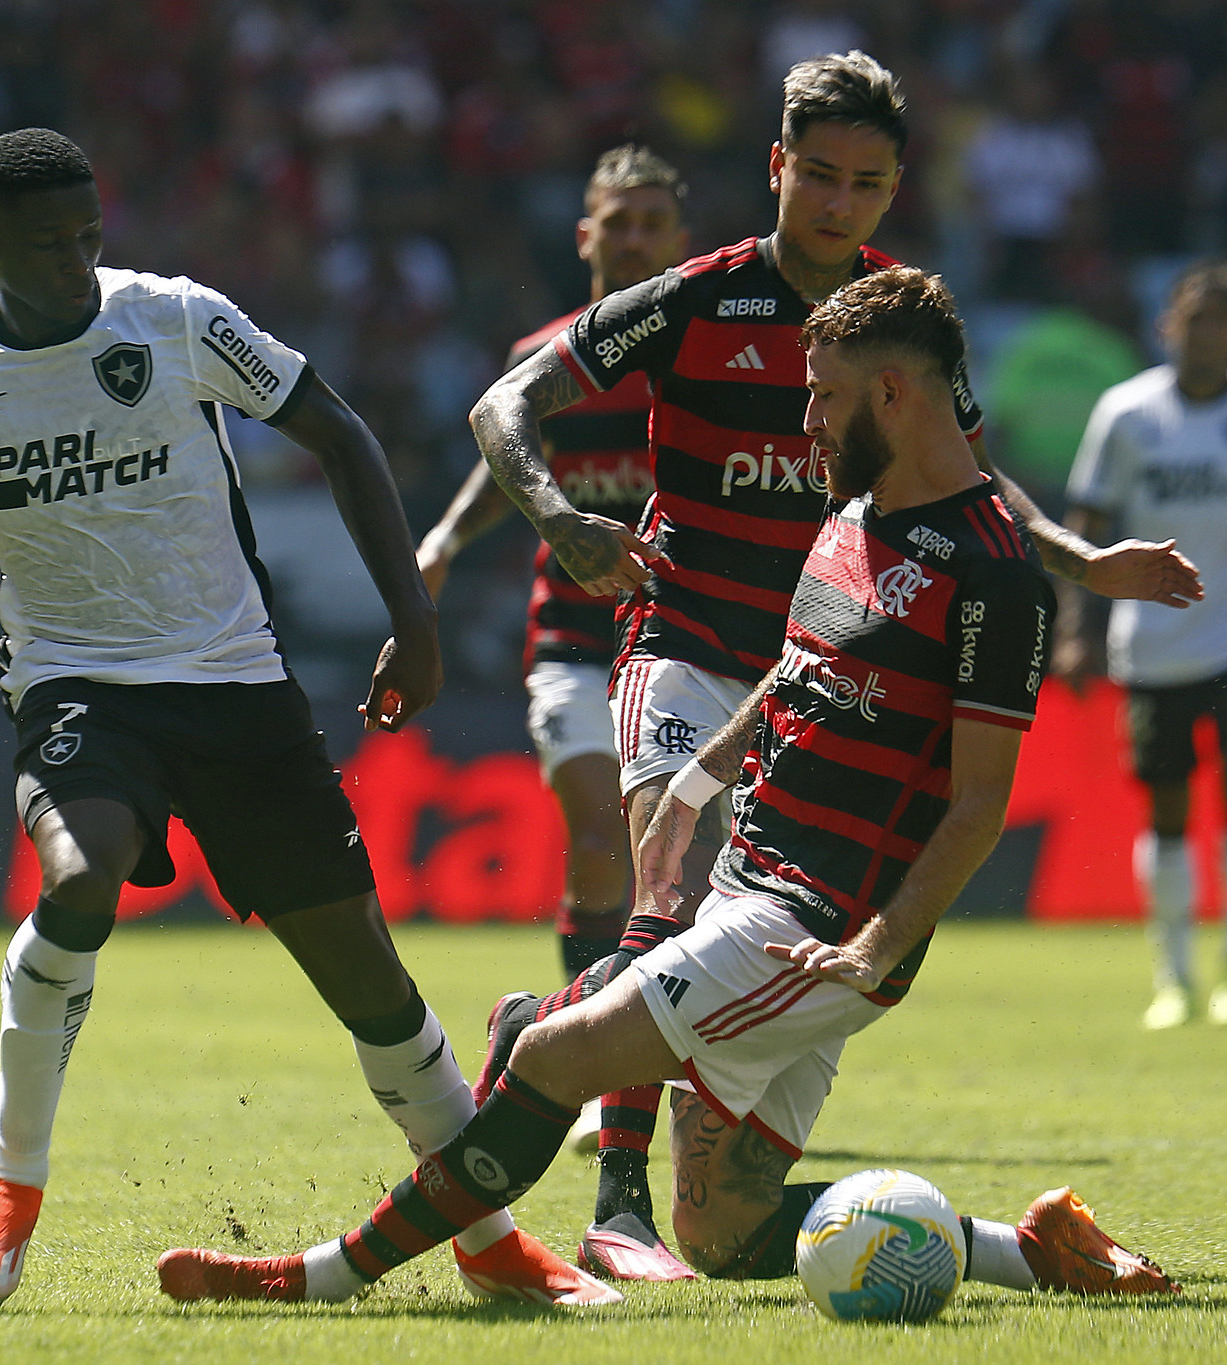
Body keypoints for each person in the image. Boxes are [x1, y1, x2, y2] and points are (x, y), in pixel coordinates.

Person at [153, 266, 1178, 1306]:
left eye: (821, 396)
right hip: (748, 884)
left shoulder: (992, 575)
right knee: (719, 1229)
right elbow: (795, 674)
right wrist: (694, 783)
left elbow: (978, 805)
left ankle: (321, 1278)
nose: (804, 421)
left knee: (548, 1055)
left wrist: (872, 947)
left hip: (815, 930)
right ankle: (1031, 1248)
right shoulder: (849, 512)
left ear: (890, 397)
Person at [0, 128, 612, 1309]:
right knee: (80, 874)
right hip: (77, 685)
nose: (78, 264)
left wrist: (416, 616)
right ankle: (10, 1186)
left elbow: (339, 434)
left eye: (89, 235)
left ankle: (490, 1238)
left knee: (371, 984)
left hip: (238, 690)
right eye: (47, 245)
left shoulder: (178, 319)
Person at [454, 50, 1200, 1282]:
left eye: (865, 182)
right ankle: (614, 1208)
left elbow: (963, 470)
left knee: (732, 1204)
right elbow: (503, 404)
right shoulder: (697, 296)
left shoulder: (893, 315)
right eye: (818, 175)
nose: (838, 202)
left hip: (800, 683)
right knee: (665, 892)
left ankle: (580, 1077)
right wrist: (558, 519)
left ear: (893, 186)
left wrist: (1079, 560)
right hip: (683, 646)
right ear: (776, 167)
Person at [415, 144, 695, 1280]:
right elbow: (507, 456)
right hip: (575, 643)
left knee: (671, 871)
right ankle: (591, 1059)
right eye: (612, 222)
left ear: (678, 240)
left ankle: (559, 1031)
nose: (629, 240)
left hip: (683, 644)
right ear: (582, 234)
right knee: (604, 830)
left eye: (649, 224)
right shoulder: (546, 360)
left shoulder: (703, 360)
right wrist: (442, 540)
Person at [1058, 261, 1227, 1031]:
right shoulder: (1127, 413)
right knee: (1166, 809)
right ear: (1167, 322)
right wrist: (1079, 628)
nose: (1204, 333)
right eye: (1191, 317)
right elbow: (1086, 527)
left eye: (1221, 319)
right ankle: (1173, 976)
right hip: (1153, 641)